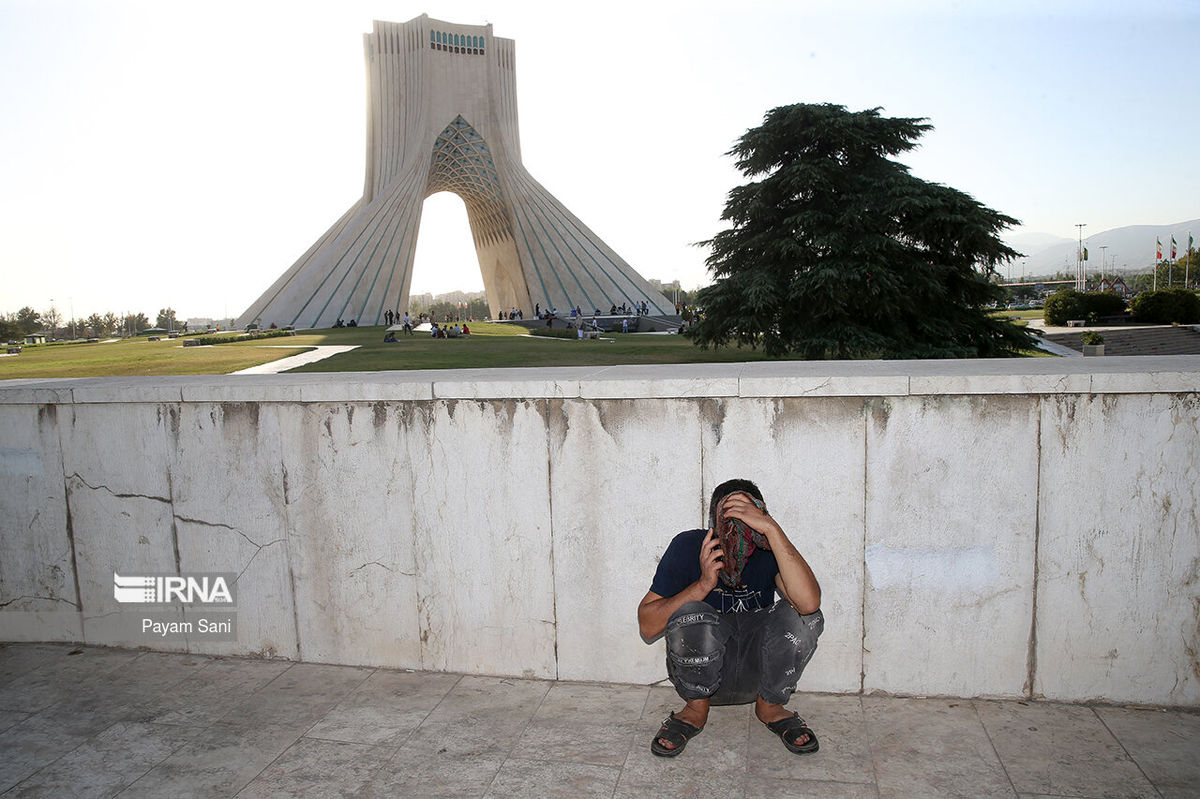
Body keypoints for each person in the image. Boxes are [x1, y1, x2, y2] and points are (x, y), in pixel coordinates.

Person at [637, 479, 823, 758]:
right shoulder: (688, 546)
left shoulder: (769, 550)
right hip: (703, 678)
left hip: (757, 676)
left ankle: (770, 707)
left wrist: (771, 530)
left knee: (807, 617)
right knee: (691, 614)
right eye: (730, 520)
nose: (739, 531)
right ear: (714, 521)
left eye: (748, 518)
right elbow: (648, 625)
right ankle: (695, 710)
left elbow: (809, 604)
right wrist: (702, 584)